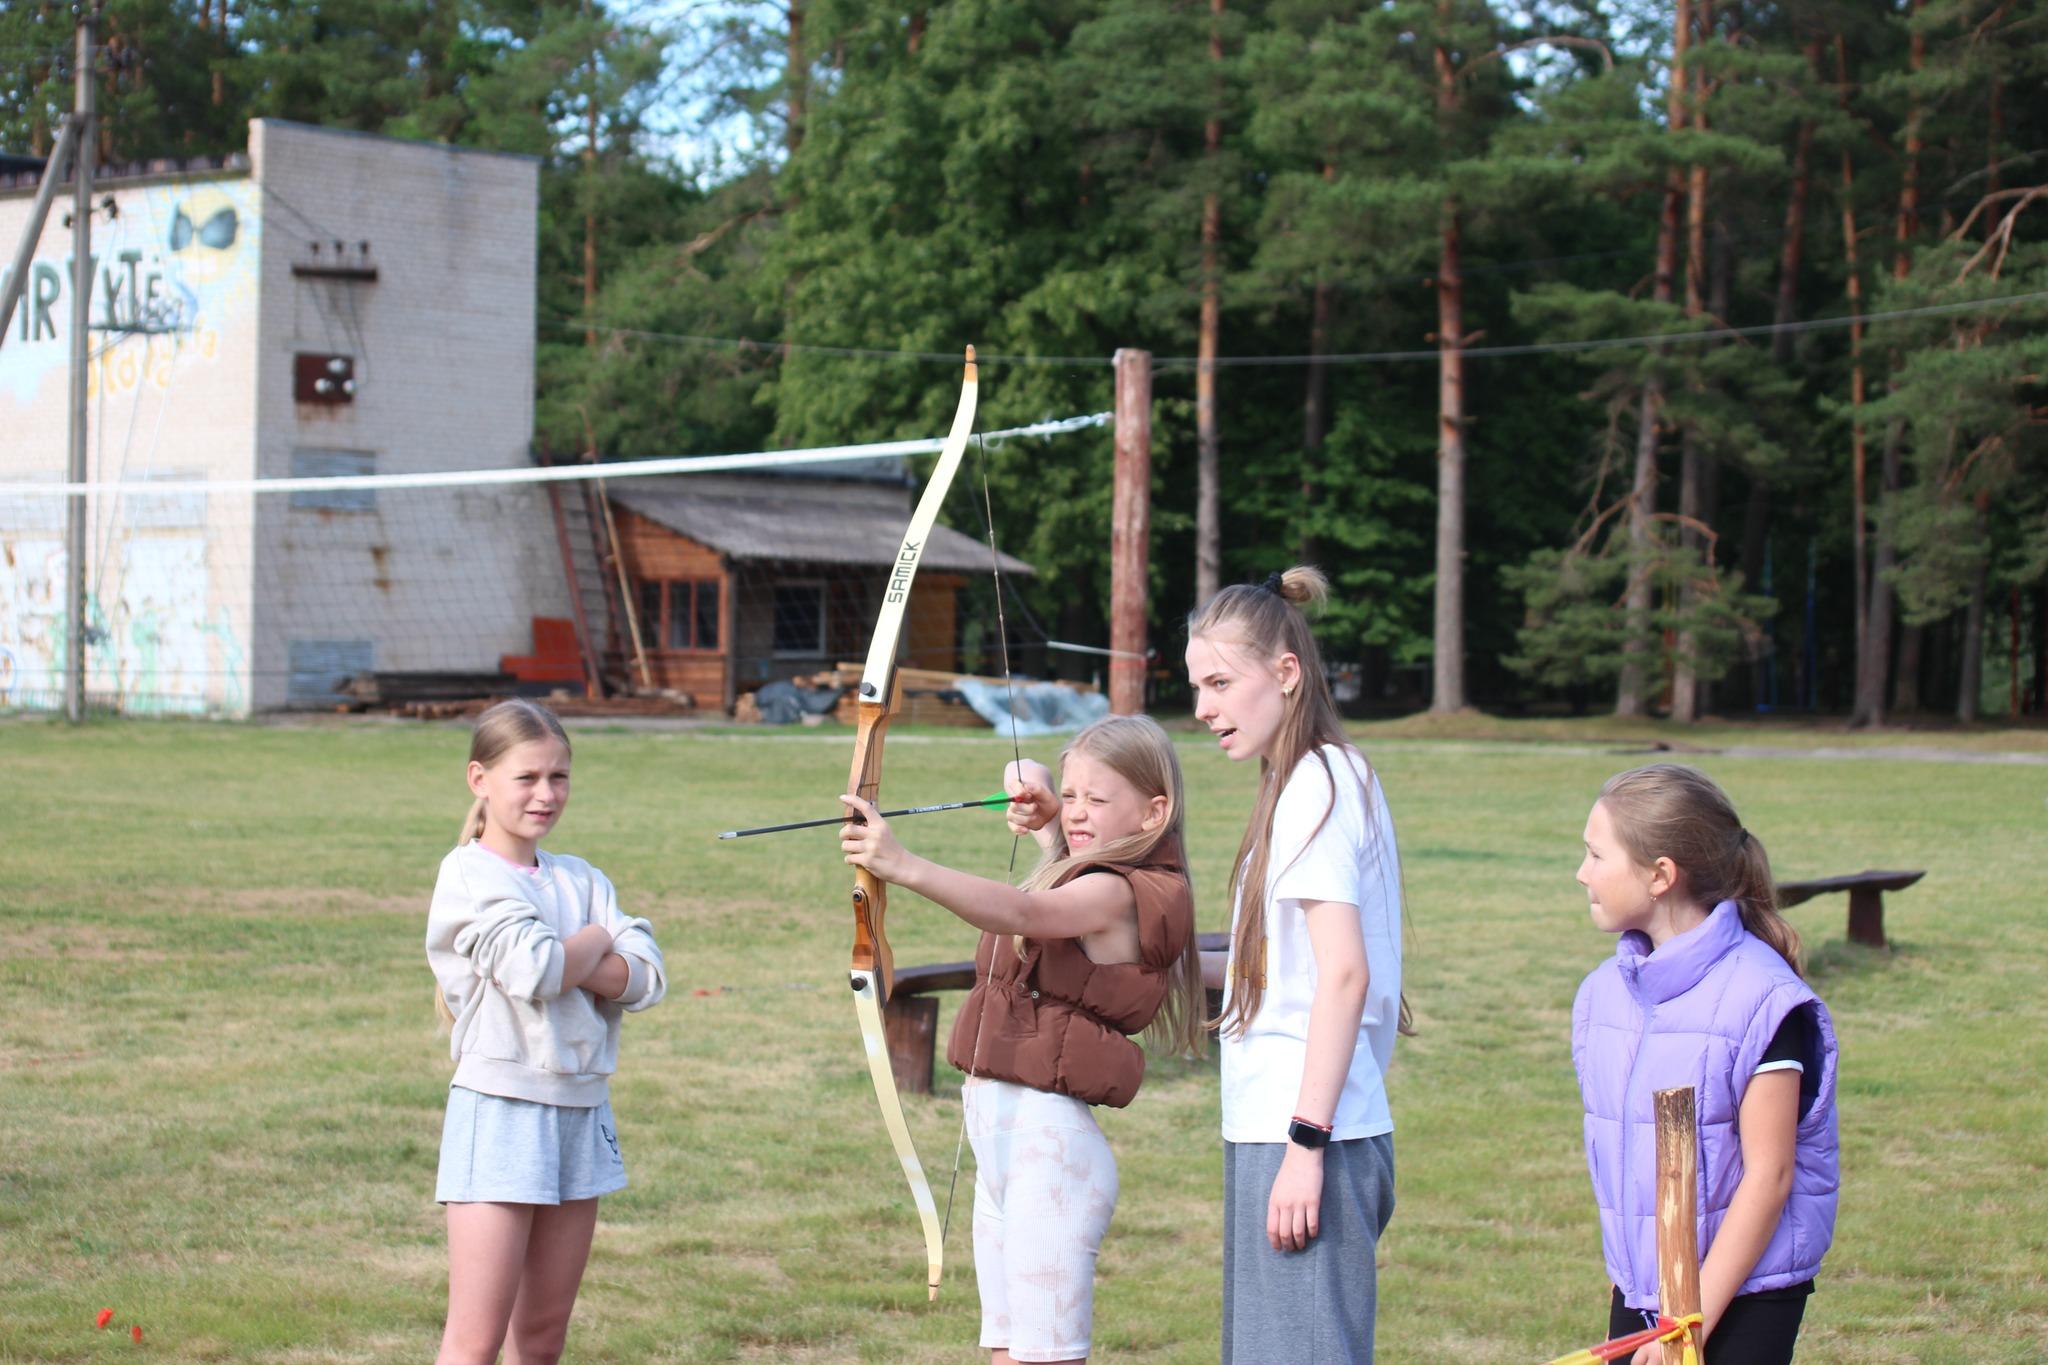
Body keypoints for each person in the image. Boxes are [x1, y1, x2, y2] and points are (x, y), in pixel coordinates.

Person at [839, 713, 1203, 1365]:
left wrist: (902, 865)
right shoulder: (1081, 865)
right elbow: (1028, 779)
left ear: (1154, 813)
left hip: (1050, 1156)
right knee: (1008, 1352)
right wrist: (1039, 793)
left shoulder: (1120, 894)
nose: (1079, 811)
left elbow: (1026, 911)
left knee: (1046, 1356)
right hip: (1005, 1152)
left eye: (1097, 799)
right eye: (1073, 794)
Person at [1184, 567, 1407, 1365]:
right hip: (1280, 1128)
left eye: (1219, 683)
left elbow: (1345, 973)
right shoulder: (1301, 781)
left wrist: (1306, 1144)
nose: (1202, 707)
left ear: (1285, 672)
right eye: (1197, 686)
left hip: (1310, 1133)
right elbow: (1286, 970)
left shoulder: (1319, 781)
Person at [424, 699, 667, 1365]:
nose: (546, 793)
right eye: (526, 777)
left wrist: (573, 956)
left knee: (541, 1339)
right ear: (479, 779)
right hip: (502, 1112)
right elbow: (539, 970)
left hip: (582, 1112)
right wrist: (596, 940)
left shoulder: (581, 877)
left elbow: (647, 978)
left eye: (559, 777)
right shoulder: (468, 873)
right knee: (475, 1342)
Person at [1572, 764, 1839, 1365]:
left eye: (1596, 855)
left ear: (1660, 875)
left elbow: (1770, 1176)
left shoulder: (1762, 999)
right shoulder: (1603, 996)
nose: (1581, 873)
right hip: (1645, 1294)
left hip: (1743, 1296)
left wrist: (1685, 1323)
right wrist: (1630, 1285)